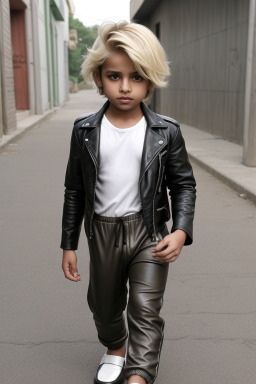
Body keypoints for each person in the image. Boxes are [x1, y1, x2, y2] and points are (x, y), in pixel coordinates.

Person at [61, 21, 196, 384]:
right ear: (99, 79)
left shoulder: (166, 131)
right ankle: (116, 347)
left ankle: (139, 373)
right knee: (104, 307)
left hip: (148, 231)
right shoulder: (85, 130)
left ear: (150, 81)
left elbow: (184, 185)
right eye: (114, 76)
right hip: (101, 231)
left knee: (145, 308)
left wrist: (181, 230)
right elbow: (74, 190)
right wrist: (68, 244)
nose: (124, 86)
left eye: (136, 77)